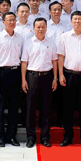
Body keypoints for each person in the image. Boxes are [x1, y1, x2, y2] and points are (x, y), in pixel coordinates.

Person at [57, 11, 81, 147]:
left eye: (80, 19)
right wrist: (61, 74)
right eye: (75, 19)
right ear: (71, 21)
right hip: (69, 75)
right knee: (67, 108)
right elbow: (60, 57)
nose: (77, 21)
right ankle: (67, 136)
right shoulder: (64, 37)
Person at [22, 18, 58, 148]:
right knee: (30, 108)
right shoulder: (28, 42)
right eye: (38, 27)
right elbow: (24, 63)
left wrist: (55, 78)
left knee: (46, 108)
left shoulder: (51, 42)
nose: (40, 29)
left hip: (47, 76)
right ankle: (31, 137)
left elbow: (54, 61)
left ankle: (45, 137)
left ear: (46, 28)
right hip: (32, 77)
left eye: (43, 27)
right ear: (33, 28)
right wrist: (23, 80)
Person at [0, 11, 23, 147]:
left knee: (14, 106)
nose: (12, 22)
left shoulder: (20, 38)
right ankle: (0, 137)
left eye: (14, 20)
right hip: (1, 74)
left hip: (16, 73)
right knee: (0, 106)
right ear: (3, 22)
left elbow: (23, 59)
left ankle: (11, 136)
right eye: (9, 20)